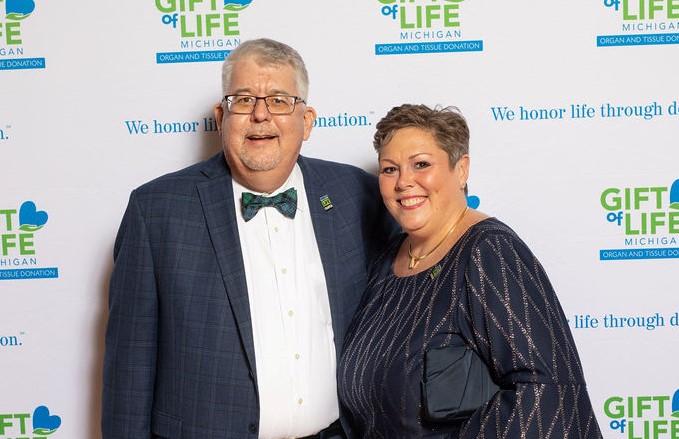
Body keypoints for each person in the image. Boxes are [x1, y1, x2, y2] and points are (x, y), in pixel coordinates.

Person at [102, 38, 396, 439]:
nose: (260, 115)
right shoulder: (156, 211)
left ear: (307, 121)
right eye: (243, 100)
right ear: (221, 116)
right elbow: (128, 369)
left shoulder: (355, 193)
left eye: (279, 100)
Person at [338, 104, 603, 438]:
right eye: (390, 169)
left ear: (461, 169)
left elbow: (547, 391)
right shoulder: (387, 262)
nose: (404, 182)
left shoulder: (489, 251)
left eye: (421, 164)